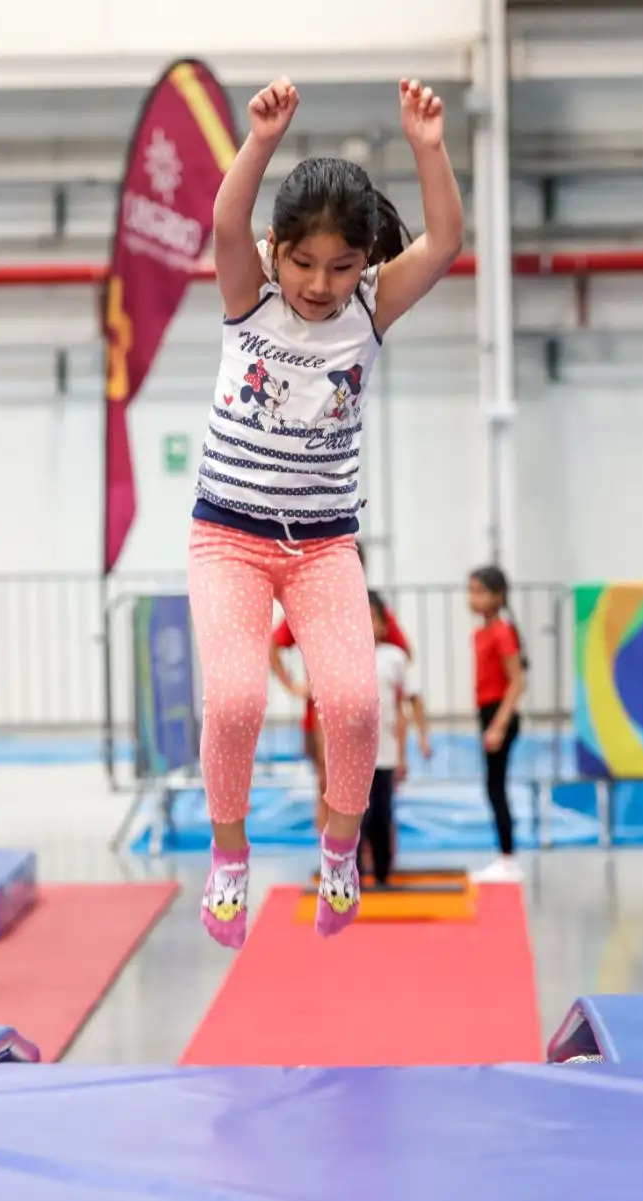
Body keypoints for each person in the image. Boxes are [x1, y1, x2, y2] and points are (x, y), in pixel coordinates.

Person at [189, 75, 464, 949]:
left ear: (365, 263)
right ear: (279, 252)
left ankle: (339, 854)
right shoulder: (251, 294)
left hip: (323, 548)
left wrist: (427, 146)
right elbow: (226, 225)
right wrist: (259, 141)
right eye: (305, 262)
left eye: (342, 266)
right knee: (233, 701)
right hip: (228, 537)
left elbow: (447, 243)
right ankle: (228, 861)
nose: (320, 283)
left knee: (351, 705)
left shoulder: (373, 307)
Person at [268, 542, 414, 850]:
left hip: (365, 714)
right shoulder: (309, 604)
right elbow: (274, 645)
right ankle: (332, 857)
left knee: (375, 790)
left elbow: (402, 653)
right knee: (327, 785)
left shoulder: (372, 608)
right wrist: (294, 686)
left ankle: (374, 859)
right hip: (321, 715)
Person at [467, 564, 527, 882]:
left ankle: (508, 858)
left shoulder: (502, 632)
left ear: (498, 596)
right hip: (487, 712)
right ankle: (504, 856)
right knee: (492, 787)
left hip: (499, 713)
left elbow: (517, 681)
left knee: (496, 787)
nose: (473, 598)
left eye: (480, 592)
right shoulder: (481, 632)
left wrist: (499, 725)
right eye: (471, 591)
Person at [366, 590, 429, 887]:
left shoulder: (394, 658)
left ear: (382, 624)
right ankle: (348, 878)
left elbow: (413, 701)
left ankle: (381, 874)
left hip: (385, 754)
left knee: (381, 815)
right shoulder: (340, 658)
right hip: (351, 758)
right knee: (353, 820)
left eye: (372, 619)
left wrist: (420, 740)